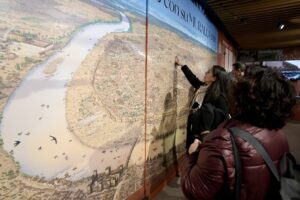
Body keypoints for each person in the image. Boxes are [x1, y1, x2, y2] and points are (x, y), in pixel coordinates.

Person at [179, 65, 296, 200]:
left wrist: (192, 155)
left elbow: (194, 189)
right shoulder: (280, 137)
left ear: (243, 96)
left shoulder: (222, 142)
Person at [175, 56, 231, 149]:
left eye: (209, 72)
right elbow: (194, 80)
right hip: (194, 123)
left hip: (205, 134)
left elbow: (222, 119)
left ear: (214, 78)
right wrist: (183, 65)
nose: (205, 73)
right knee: (190, 148)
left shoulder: (220, 98)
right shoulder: (204, 87)